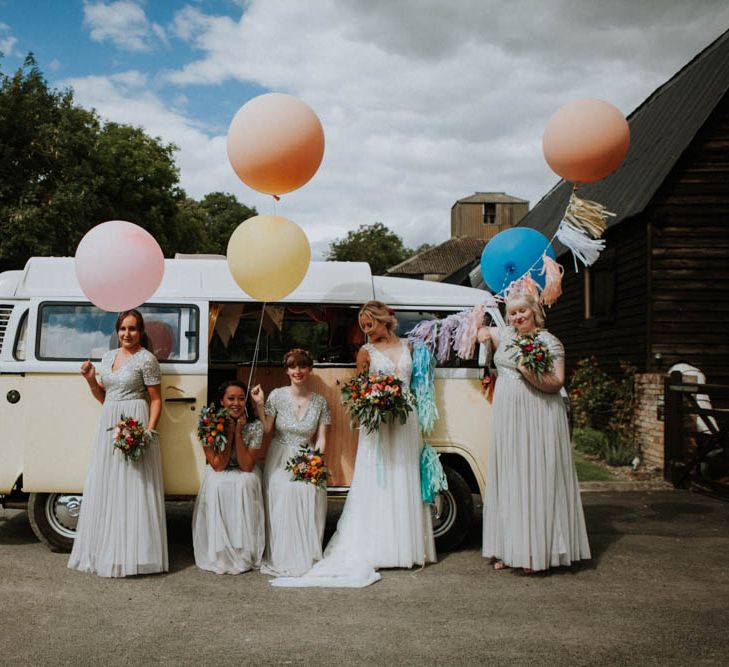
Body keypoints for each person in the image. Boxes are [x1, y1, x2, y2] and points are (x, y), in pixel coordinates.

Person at [270, 300, 436, 588]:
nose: (366, 331)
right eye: (363, 326)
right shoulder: (365, 352)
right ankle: (377, 547)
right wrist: (372, 401)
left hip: (406, 419)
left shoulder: (410, 347)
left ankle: (404, 546)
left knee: (404, 475)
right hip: (378, 423)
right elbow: (360, 390)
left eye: (369, 324)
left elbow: (422, 377)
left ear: (384, 320)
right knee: (378, 479)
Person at [478, 288, 591, 573]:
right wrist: (483, 333)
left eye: (522, 311)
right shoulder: (507, 336)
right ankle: (508, 548)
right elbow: (485, 328)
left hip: (537, 414)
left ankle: (535, 552)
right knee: (510, 478)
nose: (517, 317)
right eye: (512, 313)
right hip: (507, 417)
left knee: (535, 476)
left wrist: (526, 369)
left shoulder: (549, 341)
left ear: (535, 312)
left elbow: (555, 382)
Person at [68, 309, 168, 577]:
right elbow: (104, 397)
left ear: (141, 331)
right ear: (117, 331)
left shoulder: (147, 360)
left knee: (133, 485)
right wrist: (90, 379)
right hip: (109, 421)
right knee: (109, 483)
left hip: (135, 419)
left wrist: (148, 431)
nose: (127, 334)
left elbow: (156, 400)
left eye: (133, 329)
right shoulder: (108, 357)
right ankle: (108, 548)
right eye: (123, 328)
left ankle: (134, 554)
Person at [251, 348, 331, 577]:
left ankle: (304, 554)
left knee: (307, 490)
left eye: (303, 366)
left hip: (307, 456)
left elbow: (322, 438)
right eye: (293, 366)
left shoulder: (320, 402)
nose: (298, 371)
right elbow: (267, 428)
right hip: (280, 457)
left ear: (310, 369)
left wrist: (314, 463)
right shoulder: (276, 395)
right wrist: (259, 403)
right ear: (286, 370)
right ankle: (281, 554)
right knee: (283, 489)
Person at [192, 380, 265, 574]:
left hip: (243, 469)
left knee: (245, 483)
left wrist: (239, 432)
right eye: (231, 398)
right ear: (222, 401)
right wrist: (229, 431)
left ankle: (242, 551)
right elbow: (217, 465)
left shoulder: (255, 426)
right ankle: (220, 551)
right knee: (218, 484)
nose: (236, 403)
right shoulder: (207, 424)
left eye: (241, 399)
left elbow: (247, 466)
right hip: (221, 468)